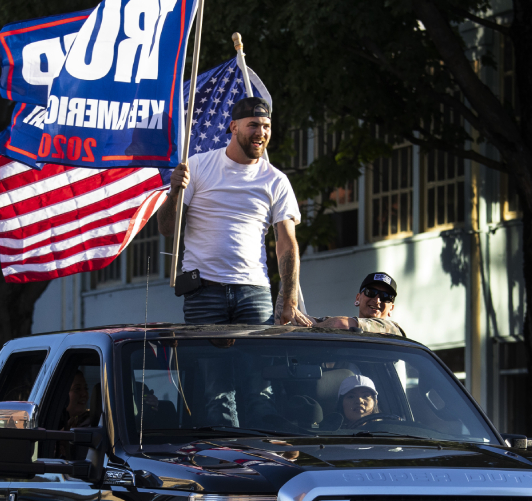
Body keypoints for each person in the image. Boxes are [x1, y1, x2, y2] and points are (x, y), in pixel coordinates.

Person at [157, 96, 312, 327]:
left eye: (266, 126)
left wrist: (289, 300)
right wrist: (175, 193)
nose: (261, 132)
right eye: (253, 125)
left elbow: (287, 244)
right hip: (203, 291)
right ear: (233, 127)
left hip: (254, 292)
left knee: (256, 363)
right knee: (205, 363)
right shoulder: (198, 166)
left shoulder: (277, 180)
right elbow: (166, 228)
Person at [311, 272, 406, 337]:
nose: (377, 300)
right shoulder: (334, 324)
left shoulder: (394, 331)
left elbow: (339, 324)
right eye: (371, 292)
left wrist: (311, 329)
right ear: (358, 298)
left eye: (385, 297)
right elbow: (306, 321)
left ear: (391, 308)